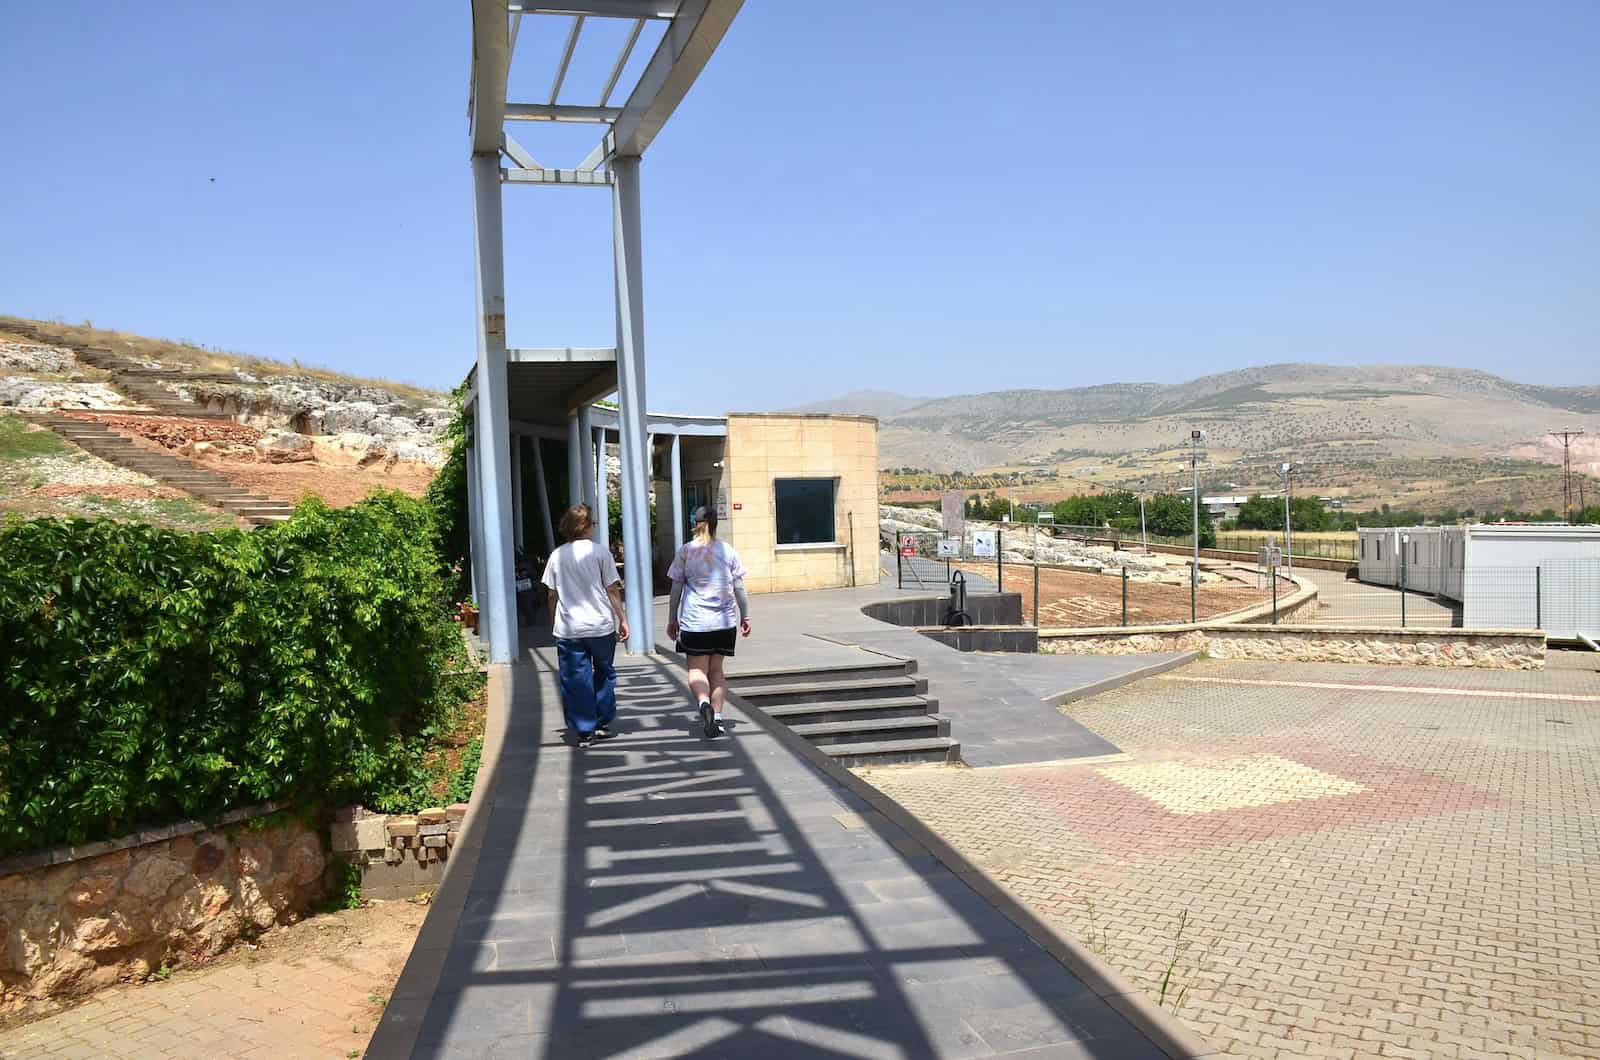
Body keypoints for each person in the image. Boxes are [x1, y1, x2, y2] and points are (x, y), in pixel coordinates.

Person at [541, 504, 629, 749]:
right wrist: (622, 618)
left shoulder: (557, 556)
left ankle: (584, 730)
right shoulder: (601, 553)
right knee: (604, 673)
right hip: (600, 625)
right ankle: (601, 722)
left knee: (575, 679)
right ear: (587, 527)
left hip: (569, 629)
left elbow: (551, 594)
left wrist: (553, 620)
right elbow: (612, 589)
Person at [666, 505, 751, 738]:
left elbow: (676, 588)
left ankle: (703, 704)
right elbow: (739, 588)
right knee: (717, 671)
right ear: (715, 524)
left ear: (696, 523)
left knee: (696, 670)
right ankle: (719, 716)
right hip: (724, 623)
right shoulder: (728, 551)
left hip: (695, 623)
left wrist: (672, 619)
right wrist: (746, 615)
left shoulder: (685, 551)